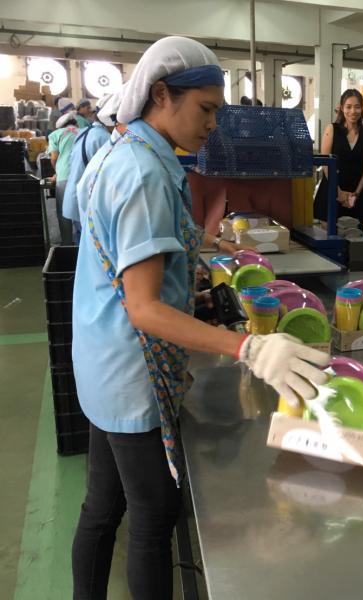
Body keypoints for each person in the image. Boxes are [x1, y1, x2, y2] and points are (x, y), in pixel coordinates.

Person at [70, 36, 330, 600]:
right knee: (153, 516)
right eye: (206, 109)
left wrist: (213, 249)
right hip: (130, 370)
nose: (213, 125)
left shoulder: (127, 150)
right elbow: (144, 308)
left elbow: (149, 240)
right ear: (162, 94)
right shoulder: (142, 171)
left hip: (98, 359)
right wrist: (248, 348)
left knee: (102, 505)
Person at [62, 92, 121, 244]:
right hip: (85, 202)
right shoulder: (104, 138)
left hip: (74, 197)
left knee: (81, 244)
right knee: (89, 246)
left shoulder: (84, 133)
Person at [313, 89, 363, 224]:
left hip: (356, 192)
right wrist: (339, 192)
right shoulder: (332, 129)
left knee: (356, 234)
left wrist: (356, 193)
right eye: (348, 107)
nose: (353, 111)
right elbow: (326, 163)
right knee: (330, 233)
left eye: (357, 107)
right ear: (342, 108)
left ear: (362, 108)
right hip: (332, 189)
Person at [48, 111, 80, 244]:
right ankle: (82, 244)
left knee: (63, 213)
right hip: (82, 175)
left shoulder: (55, 134)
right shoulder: (84, 132)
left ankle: (67, 244)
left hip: (64, 176)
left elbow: (54, 157)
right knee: (81, 210)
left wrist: (57, 172)